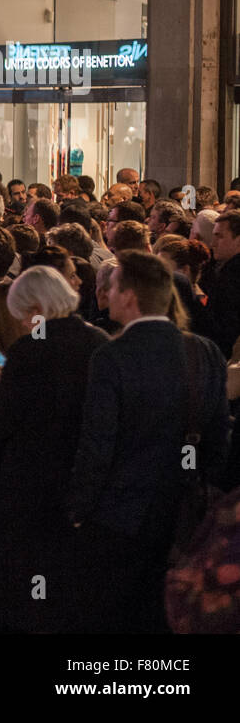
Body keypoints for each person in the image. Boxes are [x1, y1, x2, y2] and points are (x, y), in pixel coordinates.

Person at [66, 250, 231, 632]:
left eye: (112, 286)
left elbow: (98, 445)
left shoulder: (112, 356)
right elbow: (218, 439)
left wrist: (78, 509)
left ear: (129, 296)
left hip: (117, 514)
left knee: (113, 615)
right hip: (181, 512)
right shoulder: (203, 351)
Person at [0, 266, 109, 632]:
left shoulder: (27, 351)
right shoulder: (98, 342)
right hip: (81, 478)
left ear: (36, 307)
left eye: (22, 313)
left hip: (29, 482)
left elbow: (0, 424)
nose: (20, 322)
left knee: (27, 584)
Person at [197, 210, 240, 355]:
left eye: (219, 237)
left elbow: (223, 326)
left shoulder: (232, 276)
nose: (212, 243)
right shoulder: (217, 267)